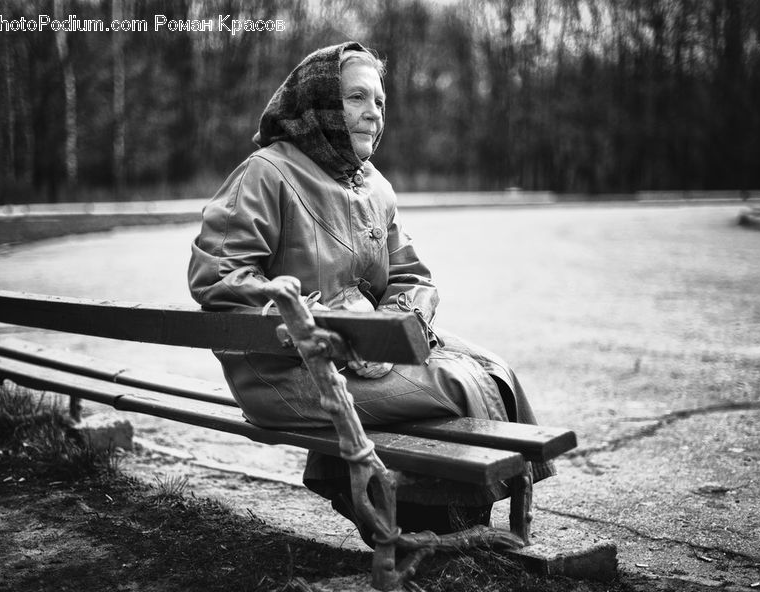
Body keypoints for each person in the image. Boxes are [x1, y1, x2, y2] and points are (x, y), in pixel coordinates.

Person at [188, 41, 552, 542]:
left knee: (495, 371)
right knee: (461, 386)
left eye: (379, 102)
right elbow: (218, 278)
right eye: (357, 98)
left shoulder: (376, 186)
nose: (373, 115)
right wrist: (328, 323)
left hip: (362, 358)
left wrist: (383, 335)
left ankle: (450, 524)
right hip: (282, 369)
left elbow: (413, 278)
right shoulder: (266, 172)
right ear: (318, 107)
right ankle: (415, 522)